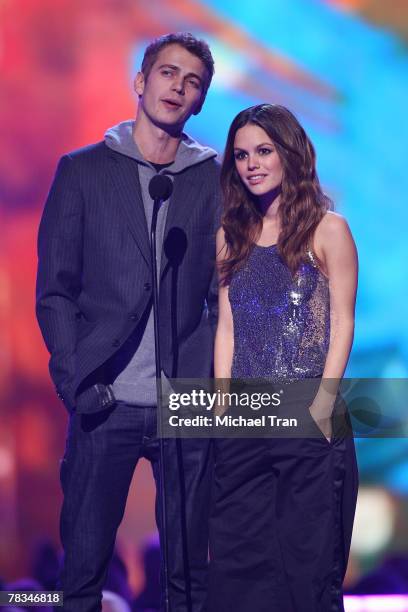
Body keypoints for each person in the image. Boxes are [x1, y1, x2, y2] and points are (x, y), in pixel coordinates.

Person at [36, 32, 220, 612]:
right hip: (104, 398)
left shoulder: (212, 179)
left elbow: (222, 291)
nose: (178, 87)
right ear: (141, 83)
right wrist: (76, 381)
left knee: (188, 578)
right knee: (83, 576)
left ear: (199, 102)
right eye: (168, 73)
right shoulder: (83, 171)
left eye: (192, 82)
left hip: (185, 403)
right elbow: (56, 291)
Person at [208, 104, 359, 612]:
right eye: (242, 155)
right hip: (246, 422)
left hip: (309, 418)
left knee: (308, 570)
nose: (251, 164)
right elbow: (227, 326)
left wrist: (323, 400)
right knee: (238, 568)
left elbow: (342, 323)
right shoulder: (230, 236)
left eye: (264, 151)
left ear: (289, 153)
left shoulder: (328, 229)